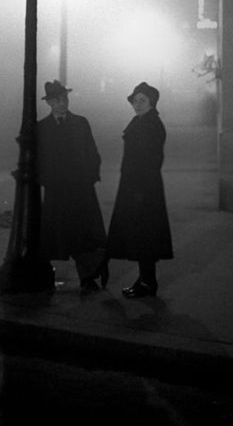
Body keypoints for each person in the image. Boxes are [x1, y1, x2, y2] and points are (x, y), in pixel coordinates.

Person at [36, 80, 108, 295]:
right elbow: (39, 158)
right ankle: (46, 274)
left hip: (80, 188)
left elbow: (92, 151)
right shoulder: (42, 128)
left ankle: (88, 276)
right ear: (49, 102)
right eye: (57, 99)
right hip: (57, 190)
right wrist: (46, 179)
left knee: (85, 234)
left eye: (64, 99)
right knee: (58, 234)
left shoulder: (80, 123)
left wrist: (91, 176)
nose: (62, 103)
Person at [106, 81, 173, 298]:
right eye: (135, 101)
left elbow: (152, 160)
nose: (137, 104)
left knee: (145, 236)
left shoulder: (152, 124)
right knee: (142, 236)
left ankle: (147, 282)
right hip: (137, 187)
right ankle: (145, 280)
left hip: (143, 189)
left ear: (152, 103)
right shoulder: (141, 121)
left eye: (142, 101)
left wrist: (140, 190)